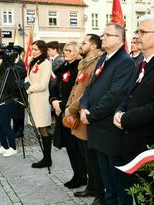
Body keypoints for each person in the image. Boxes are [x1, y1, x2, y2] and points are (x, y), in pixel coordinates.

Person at [113, 15, 154, 204]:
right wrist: (119, 111)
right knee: (136, 193)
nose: (137, 35)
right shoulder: (142, 62)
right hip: (131, 140)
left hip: (148, 144)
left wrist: (126, 118)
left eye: (142, 31)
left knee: (149, 197)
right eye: (137, 31)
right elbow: (129, 94)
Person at [79, 23, 135, 205]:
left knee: (118, 182)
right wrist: (83, 106)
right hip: (98, 130)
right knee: (106, 181)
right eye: (102, 34)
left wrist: (91, 114)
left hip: (110, 131)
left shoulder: (125, 62)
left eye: (107, 35)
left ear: (119, 39)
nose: (102, 37)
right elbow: (90, 87)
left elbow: (115, 96)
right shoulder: (104, 58)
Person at [64, 34, 105, 199]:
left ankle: (96, 189)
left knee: (91, 158)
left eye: (84, 43)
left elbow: (89, 92)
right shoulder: (84, 64)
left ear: (94, 47)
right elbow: (76, 88)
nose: (81, 45)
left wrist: (72, 109)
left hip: (84, 114)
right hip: (76, 113)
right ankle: (91, 186)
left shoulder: (96, 63)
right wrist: (68, 107)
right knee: (85, 156)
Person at [49, 41, 87, 188]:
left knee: (76, 147)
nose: (65, 53)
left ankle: (82, 176)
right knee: (69, 147)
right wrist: (53, 101)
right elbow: (53, 88)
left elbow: (75, 92)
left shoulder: (79, 68)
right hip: (60, 110)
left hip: (71, 112)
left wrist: (62, 105)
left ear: (77, 53)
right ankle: (77, 174)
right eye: (65, 50)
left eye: (70, 51)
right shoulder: (62, 68)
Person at [24, 40, 52, 168]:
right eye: (32, 49)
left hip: (41, 101)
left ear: (42, 50)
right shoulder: (34, 62)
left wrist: (28, 89)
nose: (33, 51)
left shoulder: (46, 64)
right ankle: (46, 157)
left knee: (43, 128)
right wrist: (25, 83)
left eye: (35, 49)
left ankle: (47, 158)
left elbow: (43, 85)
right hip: (33, 100)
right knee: (39, 128)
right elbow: (29, 79)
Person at [0, 45, 23, 157]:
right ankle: (4, 146)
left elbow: (9, 87)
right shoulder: (1, 70)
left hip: (6, 102)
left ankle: (13, 147)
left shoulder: (14, 70)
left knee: (5, 125)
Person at [12, 46, 27, 139]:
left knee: (19, 112)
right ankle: (15, 129)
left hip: (19, 91)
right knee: (14, 112)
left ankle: (20, 130)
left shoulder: (20, 63)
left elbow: (20, 76)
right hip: (14, 91)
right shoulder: (15, 62)